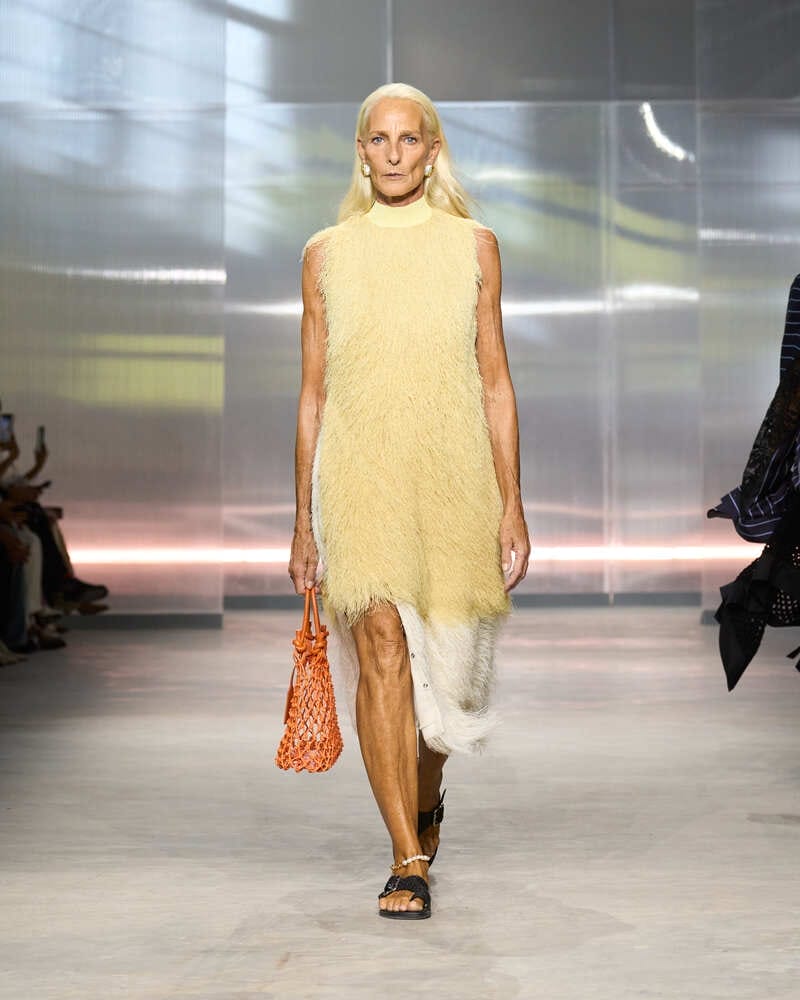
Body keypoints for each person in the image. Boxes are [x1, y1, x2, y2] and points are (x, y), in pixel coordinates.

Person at [289, 83, 530, 920]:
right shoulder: (326, 254)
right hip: (358, 480)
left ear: (432, 151)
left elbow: (495, 383)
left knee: (449, 695)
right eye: (378, 139)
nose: (393, 153)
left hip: (455, 481)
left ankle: (423, 798)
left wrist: (512, 502)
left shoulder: (474, 247)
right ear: (362, 151)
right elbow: (313, 394)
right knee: (383, 647)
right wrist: (302, 520)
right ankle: (406, 856)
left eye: (409, 139)